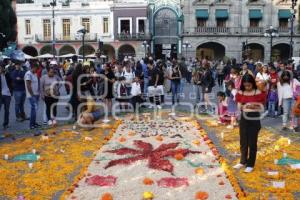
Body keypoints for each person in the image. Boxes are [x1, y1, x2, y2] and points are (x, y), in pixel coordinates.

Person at [234, 74, 266, 173]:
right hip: (244, 118)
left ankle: (250, 164)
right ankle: (243, 161)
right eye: (245, 85)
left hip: (254, 118)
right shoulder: (240, 92)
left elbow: (262, 108)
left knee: (252, 142)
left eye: (249, 85)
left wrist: (254, 106)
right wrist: (245, 106)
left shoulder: (258, 92)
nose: (247, 87)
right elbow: (239, 107)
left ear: (253, 83)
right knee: (243, 141)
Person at [10, 57, 28, 122]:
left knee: (22, 104)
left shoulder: (23, 71)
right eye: (17, 65)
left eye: (19, 65)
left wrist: (20, 79)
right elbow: (15, 80)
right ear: (15, 66)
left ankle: (23, 115)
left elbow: (25, 78)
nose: (18, 66)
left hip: (23, 89)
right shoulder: (13, 72)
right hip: (17, 90)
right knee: (17, 104)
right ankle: (17, 117)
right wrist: (21, 79)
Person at [25, 63, 41, 129]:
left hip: (36, 94)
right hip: (32, 95)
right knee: (33, 109)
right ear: (33, 67)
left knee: (35, 109)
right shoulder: (28, 74)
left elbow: (37, 82)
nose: (37, 70)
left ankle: (34, 123)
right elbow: (28, 85)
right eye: (36, 69)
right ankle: (31, 124)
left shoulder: (35, 73)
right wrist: (32, 95)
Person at [0, 64, 13, 130]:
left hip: (7, 94)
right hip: (1, 95)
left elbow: (11, 81)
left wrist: (11, 91)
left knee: (7, 110)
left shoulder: (7, 74)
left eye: (1, 68)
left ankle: (6, 124)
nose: (1, 69)